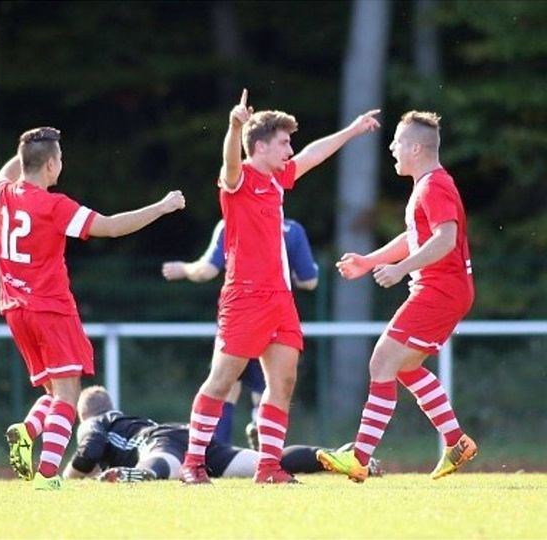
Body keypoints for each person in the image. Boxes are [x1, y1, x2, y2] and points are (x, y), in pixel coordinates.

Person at [181, 88, 380, 485]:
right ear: (260, 146)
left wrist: (352, 130)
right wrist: (234, 126)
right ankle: (192, 464)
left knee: (283, 381)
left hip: (280, 299)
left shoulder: (277, 180)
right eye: (284, 143)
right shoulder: (239, 179)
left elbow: (312, 155)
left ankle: (269, 467)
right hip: (245, 297)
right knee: (221, 380)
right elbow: (229, 162)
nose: (291, 150)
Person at [0, 127, 186, 490]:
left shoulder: (2, 195)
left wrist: (27, 146)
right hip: (50, 308)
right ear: (51, 165)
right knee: (68, 394)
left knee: (53, 392)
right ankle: (48, 476)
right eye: (59, 158)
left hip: (14, 308)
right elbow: (111, 227)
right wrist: (161, 207)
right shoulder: (54, 206)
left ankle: (29, 429)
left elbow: (4, 174)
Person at [317, 111, 477, 483]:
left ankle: (358, 458)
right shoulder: (426, 185)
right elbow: (416, 238)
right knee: (404, 367)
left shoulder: (433, 186)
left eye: (397, 141)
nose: (391, 147)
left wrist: (402, 268)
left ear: (416, 147)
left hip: (440, 291)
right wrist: (370, 261)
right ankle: (457, 441)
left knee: (381, 363)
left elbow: (445, 239)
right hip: (442, 290)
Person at [162, 217, 318, 448]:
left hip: (240, 315)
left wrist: (184, 269)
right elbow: (309, 281)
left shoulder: (232, 223)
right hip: (276, 317)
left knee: (225, 384)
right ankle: (262, 449)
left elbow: (206, 270)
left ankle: (214, 454)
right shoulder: (292, 230)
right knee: (270, 387)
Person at [64, 386, 382, 482]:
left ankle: (140, 475)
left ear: (83, 415)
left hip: (162, 442)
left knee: (165, 465)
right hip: (193, 437)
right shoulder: (129, 420)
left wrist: (67, 478)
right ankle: (333, 455)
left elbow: (88, 452)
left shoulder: (97, 421)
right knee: (266, 462)